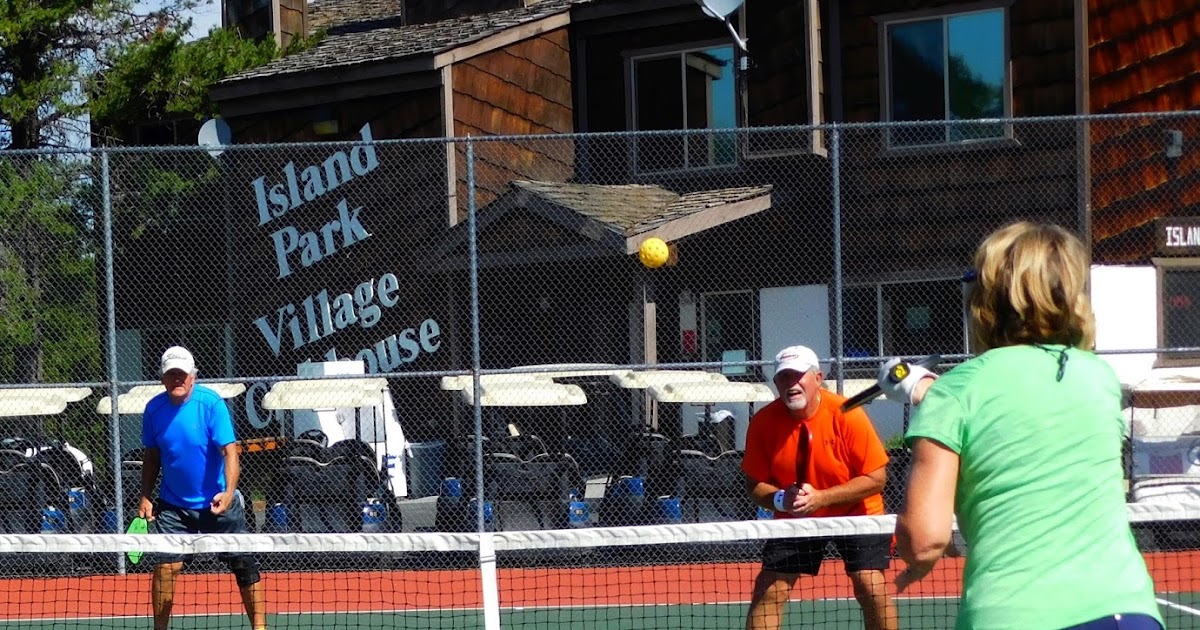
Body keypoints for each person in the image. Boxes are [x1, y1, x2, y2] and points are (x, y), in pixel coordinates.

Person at [879, 221, 1164, 629]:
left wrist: (936, 407)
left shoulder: (956, 393)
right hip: (1129, 612)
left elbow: (923, 541)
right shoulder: (1098, 378)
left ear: (988, 297)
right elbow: (1034, 424)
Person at [742, 345, 898, 630]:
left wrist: (823, 497)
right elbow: (754, 485)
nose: (792, 384)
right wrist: (780, 500)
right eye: (784, 378)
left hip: (857, 513)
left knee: (870, 585)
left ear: (817, 378)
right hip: (798, 517)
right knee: (770, 588)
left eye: (799, 376)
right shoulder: (763, 423)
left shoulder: (847, 413)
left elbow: (877, 478)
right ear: (776, 383)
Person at [139, 346, 267, 630]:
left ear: (193, 376)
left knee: (244, 564)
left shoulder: (211, 404)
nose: (177, 379)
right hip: (173, 507)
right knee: (165, 568)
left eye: (182, 374)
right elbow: (151, 457)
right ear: (162, 378)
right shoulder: (153, 410)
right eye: (171, 374)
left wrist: (230, 492)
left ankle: (260, 627)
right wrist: (146, 496)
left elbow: (230, 452)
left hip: (217, 503)